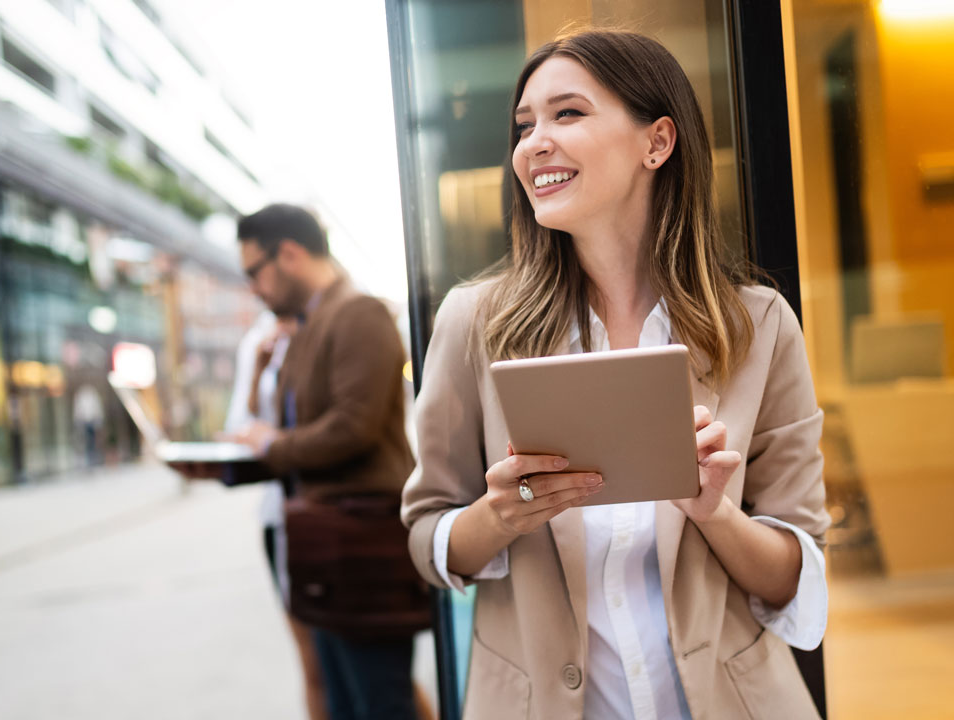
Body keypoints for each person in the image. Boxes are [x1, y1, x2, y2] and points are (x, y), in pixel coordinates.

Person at [401, 30, 829, 720]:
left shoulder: (758, 325)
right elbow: (427, 537)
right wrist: (500, 515)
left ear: (656, 143)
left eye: (567, 113)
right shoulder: (473, 323)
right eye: (525, 124)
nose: (534, 142)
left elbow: (795, 575)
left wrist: (711, 509)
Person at [232, 204, 424, 720]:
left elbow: (352, 427)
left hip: (359, 540)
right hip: (328, 538)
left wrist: (273, 446)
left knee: (379, 701)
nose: (254, 287)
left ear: (289, 254)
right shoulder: (309, 322)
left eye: (254, 271)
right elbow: (284, 423)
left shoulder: (357, 312)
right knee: (345, 697)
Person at [222, 310, 329, 720]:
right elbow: (240, 427)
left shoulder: (331, 322)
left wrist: (276, 443)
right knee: (313, 663)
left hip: (335, 511)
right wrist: (258, 372)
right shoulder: (259, 340)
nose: (257, 288)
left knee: (360, 663)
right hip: (282, 516)